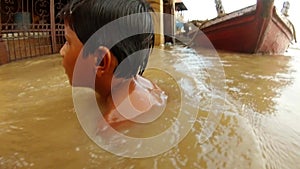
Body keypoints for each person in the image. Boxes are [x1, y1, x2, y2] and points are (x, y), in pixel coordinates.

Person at [59, 0, 167, 127]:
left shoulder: (113, 123)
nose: (61, 52)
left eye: (67, 42)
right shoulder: (141, 83)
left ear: (101, 61)